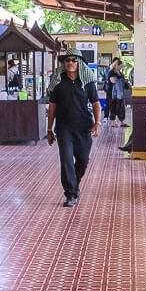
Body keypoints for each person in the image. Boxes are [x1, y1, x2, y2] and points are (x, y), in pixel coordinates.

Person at [47, 48, 101, 207]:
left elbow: (96, 103)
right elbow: (52, 107)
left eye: (74, 60)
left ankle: (74, 183)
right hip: (64, 128)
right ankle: (70, 194)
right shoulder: (57, 81)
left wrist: (97, 124)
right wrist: (50, 130)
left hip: (84, 127)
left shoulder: (88, 82)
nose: (70, 63)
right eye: (67, 60)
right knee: (66, 160)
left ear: (80, 63)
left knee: (83, 160)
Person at [107, 59, 129, 127]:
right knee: (113, 107)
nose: (121, 67)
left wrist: (124, 82)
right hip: (113, 93)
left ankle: (122, 122)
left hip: (120, 93)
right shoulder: (111, 72)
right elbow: (113, 81)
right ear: (117, 65)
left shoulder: (120, 73)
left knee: (121, 107)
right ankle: (113, 122)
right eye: (120, 66)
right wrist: (121, 80)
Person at [103, 56, 119, 123]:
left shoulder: (117, 70)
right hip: (109, 88)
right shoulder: (108, 69)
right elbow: (107, 78)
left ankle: (113, 117)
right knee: (108, 103)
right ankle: (106, 117)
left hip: (115, 89)